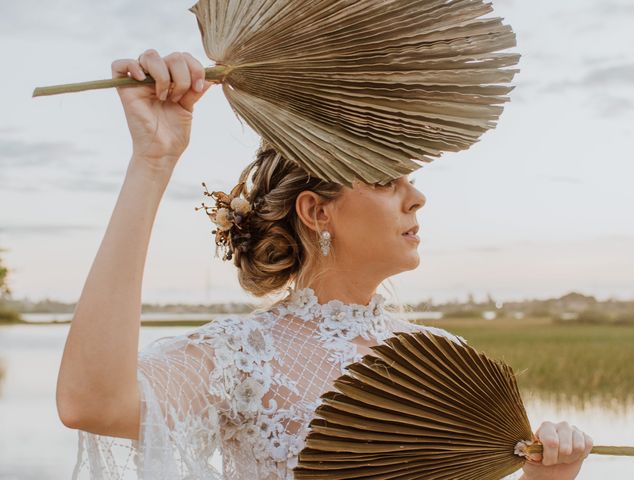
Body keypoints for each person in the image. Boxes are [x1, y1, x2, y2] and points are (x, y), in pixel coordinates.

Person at [56, 49, 593, 480]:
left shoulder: (443, 358)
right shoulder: (246, 356)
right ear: (317, 211)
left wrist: (550, 478)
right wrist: (153, 160)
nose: (417, 198)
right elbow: (92, 403)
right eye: (387, 181)